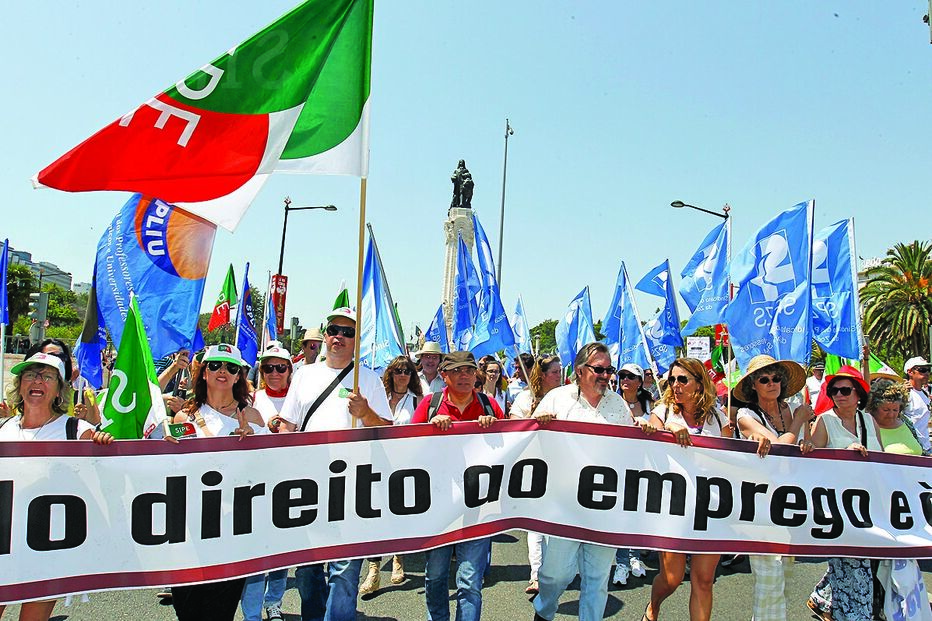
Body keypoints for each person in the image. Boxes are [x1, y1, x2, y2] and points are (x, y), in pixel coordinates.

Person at [271, 307, 393, 621]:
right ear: (325, 335)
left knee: (345, 571)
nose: (339, 337)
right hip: (308, 485)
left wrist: (366, 413)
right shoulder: (304, 375)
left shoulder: (368, 379)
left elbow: (388, 432)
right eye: (334, 330)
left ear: (356, 340)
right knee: (308, 571)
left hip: (352, 486)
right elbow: (288, 424)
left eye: (348, 332)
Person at [531, 343, 656, 621]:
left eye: (609, 370)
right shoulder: (556, 398)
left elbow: (631, 449)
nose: (606, 376)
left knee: (597, 578)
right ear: (579, 371)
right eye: (599, 369)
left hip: (604, 505)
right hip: (564, 505)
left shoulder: (617, 404)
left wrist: (644, 430)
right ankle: (544, 610)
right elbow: (528, 441)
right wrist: (538, 424)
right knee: (555, 574)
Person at [0, 352, 113, 621]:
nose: (37, 381)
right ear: (20, 385)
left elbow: (108, 474)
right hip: (5, 542)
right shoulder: (4, 429)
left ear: (59, 389)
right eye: (30, 375)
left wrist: (105, 445)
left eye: (47, 376)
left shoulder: (76, 430)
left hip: (45, 546)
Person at [165, 344, 264, 621]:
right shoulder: (184, 417)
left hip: (233, 529)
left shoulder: (252, 417)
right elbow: (172, 470)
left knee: (220, 611)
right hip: (189, 529)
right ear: (204, 372)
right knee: (187, 611)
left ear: (238, 376)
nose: (223, 371)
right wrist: (164, 448)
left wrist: (255, 444)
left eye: (231, 367)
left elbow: (269, 472)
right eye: (215, 365)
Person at [410, 351, 504, 621]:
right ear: (444, 375)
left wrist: (494, 428)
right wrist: (429, 428)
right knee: (436, 575)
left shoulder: (489, 406)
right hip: (438, 506)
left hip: (478, 507)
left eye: (469, 371)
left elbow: (510, 446)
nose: (464, 376)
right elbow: (408, 448)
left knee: (470, 580)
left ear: (476, 375)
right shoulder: (430, 404)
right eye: (457, 371)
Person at [644, 357, 731, 621]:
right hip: (674, 505)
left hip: (710, 507)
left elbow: (731, 460)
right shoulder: (663, 412)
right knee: (672, 578)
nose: (676, 385)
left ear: (699, 383)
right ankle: (653, 607)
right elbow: (649, 437)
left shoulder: (719, 417)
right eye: (672, 380)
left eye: (683, 379)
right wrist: (669, 427)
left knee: (704, 580)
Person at [731, 355, 814, 621]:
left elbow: (805, 448)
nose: (771, 383)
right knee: (769, 577)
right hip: (760, 503)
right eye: (764, 379)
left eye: (776, 378)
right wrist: (799, 421)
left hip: (793, 502)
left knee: (784, 579)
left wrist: (807, 440)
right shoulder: (746, 415)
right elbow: (779, 449)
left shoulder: (794, 409)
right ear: (753, 385)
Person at [807, 366, 883, 621]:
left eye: (845, 390)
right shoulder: (825, 421)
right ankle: (854, 614)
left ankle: (823, 598)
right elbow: (812, 461)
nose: (839, 395)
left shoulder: (869, 420)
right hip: (839, 503)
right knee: (852, 559)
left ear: (858, 394)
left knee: (858, 559)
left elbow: (883, 458)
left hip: (870, 501)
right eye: (834, 391)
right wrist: (843, 454)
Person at [358, 355, 424, 595]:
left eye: (407, 371)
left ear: (412, 375)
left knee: (398, 514)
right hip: (375, 462)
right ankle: (373, 570)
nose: (402, 375)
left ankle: (398, 557)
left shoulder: (418, 400)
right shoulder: (378, 396)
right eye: (398, 371)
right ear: (390, 374)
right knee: (373, 516)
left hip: (404, 465)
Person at [240, 344, 293, 621]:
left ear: (289, 370)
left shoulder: (299, 398)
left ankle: (274, 603)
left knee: (280, 553)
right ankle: (251, 613)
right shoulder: (251, 399)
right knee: (255, 555)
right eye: (268, 367)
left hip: (288, 483)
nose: (274, 373)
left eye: (280, 367)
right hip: (256, 485)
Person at [509, 354, 562, 595]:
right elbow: (513, 428)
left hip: (561, 466)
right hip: (533, 466)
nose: (559, 376)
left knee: (557, 522)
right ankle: (536, 574)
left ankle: (556, 571)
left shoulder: (567, 397)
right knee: (535, 524)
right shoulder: (524, 397)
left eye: (560, 371)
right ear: (542, 375)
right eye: (554, 372)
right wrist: (533, 419)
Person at [612, 363, 654, 586]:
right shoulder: (612, 401)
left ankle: (635, 556)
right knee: (623, 514)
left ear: (639, 382)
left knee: (637, 512)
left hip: (644, 464)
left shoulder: (649, 403)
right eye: (622, 376)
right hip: (619, 464)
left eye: (630, 376)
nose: (625, 380)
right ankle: (621, 562)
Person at [902, 356, 931, 453]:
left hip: (926, 447)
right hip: (911, 447)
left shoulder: (925, 394)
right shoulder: (905, 393)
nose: (927, 373)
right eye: (922, 370)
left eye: (928, 370)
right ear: (910, 372)